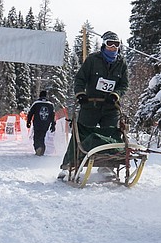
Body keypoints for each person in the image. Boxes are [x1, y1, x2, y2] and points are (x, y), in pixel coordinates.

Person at [58, 31, 129, 180]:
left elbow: (124, 85)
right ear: (104, 44)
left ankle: (106, 166)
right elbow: (80, 79)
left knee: (110, 135)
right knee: (80, 133)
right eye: (110, 44)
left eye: (116, 44)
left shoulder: (121, 64)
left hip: (110, 107)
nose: (113, 47)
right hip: (90, 105)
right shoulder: (92, 60)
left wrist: (116, 95)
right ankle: (68, 164)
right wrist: (80, 94)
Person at [26, 90, 56, 156]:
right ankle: (41, 149)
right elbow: (53, 116)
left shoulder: (36, 103)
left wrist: (28, 122)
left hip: (37, 123)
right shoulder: (50, 105)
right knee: (42, 137)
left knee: (36, 136)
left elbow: (30, 113)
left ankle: (38, 148)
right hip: (46, 124)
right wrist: (53, 125)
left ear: (40, 95)